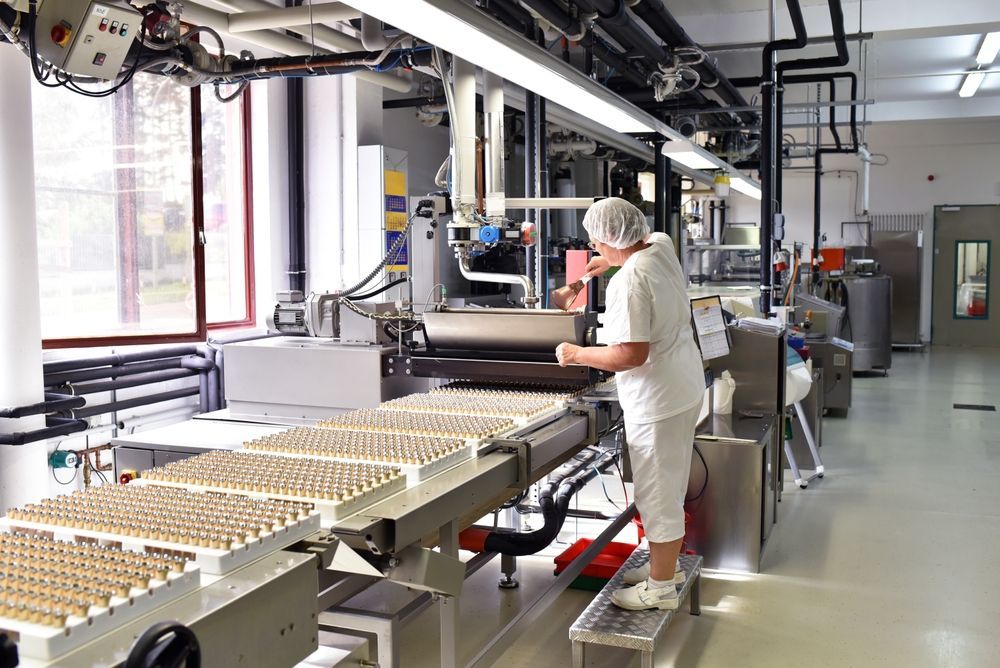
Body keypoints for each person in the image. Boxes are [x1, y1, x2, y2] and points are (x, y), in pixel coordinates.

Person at [555, 197, 705, 611]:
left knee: (657, 494)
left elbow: (630, 354)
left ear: (609, 238)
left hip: (657, 398)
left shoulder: (630, 281)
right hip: (683, 384)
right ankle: (665, 567)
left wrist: (576, 354)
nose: (594, 249)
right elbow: (637, 248)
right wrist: (610, 261)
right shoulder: (661, 246)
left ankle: (660, 587)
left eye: (596, 243)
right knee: (668, 485)